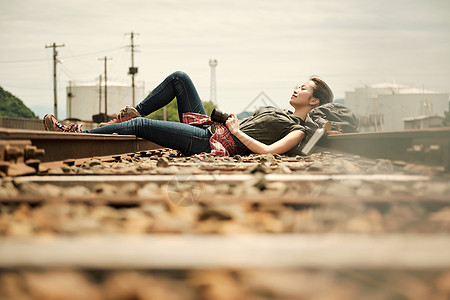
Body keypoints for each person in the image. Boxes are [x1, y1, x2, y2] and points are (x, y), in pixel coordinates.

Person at [43, 71, 333, 156]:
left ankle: (79, 133)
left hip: (210, 142)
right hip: (211, 129)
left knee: (142, 126)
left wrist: (235, 130)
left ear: (315, 101)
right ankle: (133, 113)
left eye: (303, 89)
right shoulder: (281, 112)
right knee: (179, 78)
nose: (296, 89)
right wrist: (228, 121)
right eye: (297, 85)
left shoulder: (298, 131)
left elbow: (268, 152)